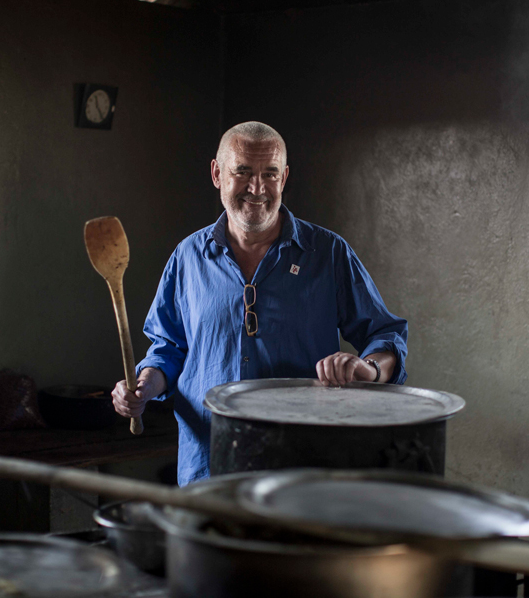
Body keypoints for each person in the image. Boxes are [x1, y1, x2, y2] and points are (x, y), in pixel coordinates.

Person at [112, 122, 407, 486]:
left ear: (283, 178)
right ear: (217, 174)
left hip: (302, 468)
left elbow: (386, 335)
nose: (257, 188)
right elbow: (169, 350)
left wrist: (369, 369)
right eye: (243, 172)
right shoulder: (188, 256)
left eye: (269, 174)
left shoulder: (328, 253)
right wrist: (142, 387)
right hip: (208, 465)